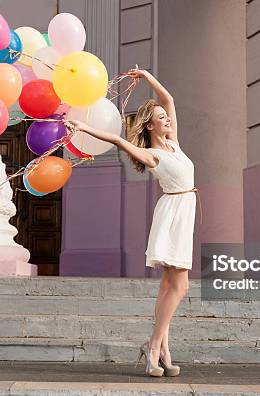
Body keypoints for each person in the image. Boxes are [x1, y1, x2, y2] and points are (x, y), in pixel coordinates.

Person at [64, 68, 197, 377]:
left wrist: (148, 77)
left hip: (183, 210)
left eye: (166, 117)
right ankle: (154, 345)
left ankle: (162, 348)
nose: (167, 119)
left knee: (170, 284)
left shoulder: (173, 142)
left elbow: (170, 99)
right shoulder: (152, 154)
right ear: (150, 125)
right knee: (180, 285)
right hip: (173, 212)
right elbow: (115, 139)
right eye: (161, 118)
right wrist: (83, 125)